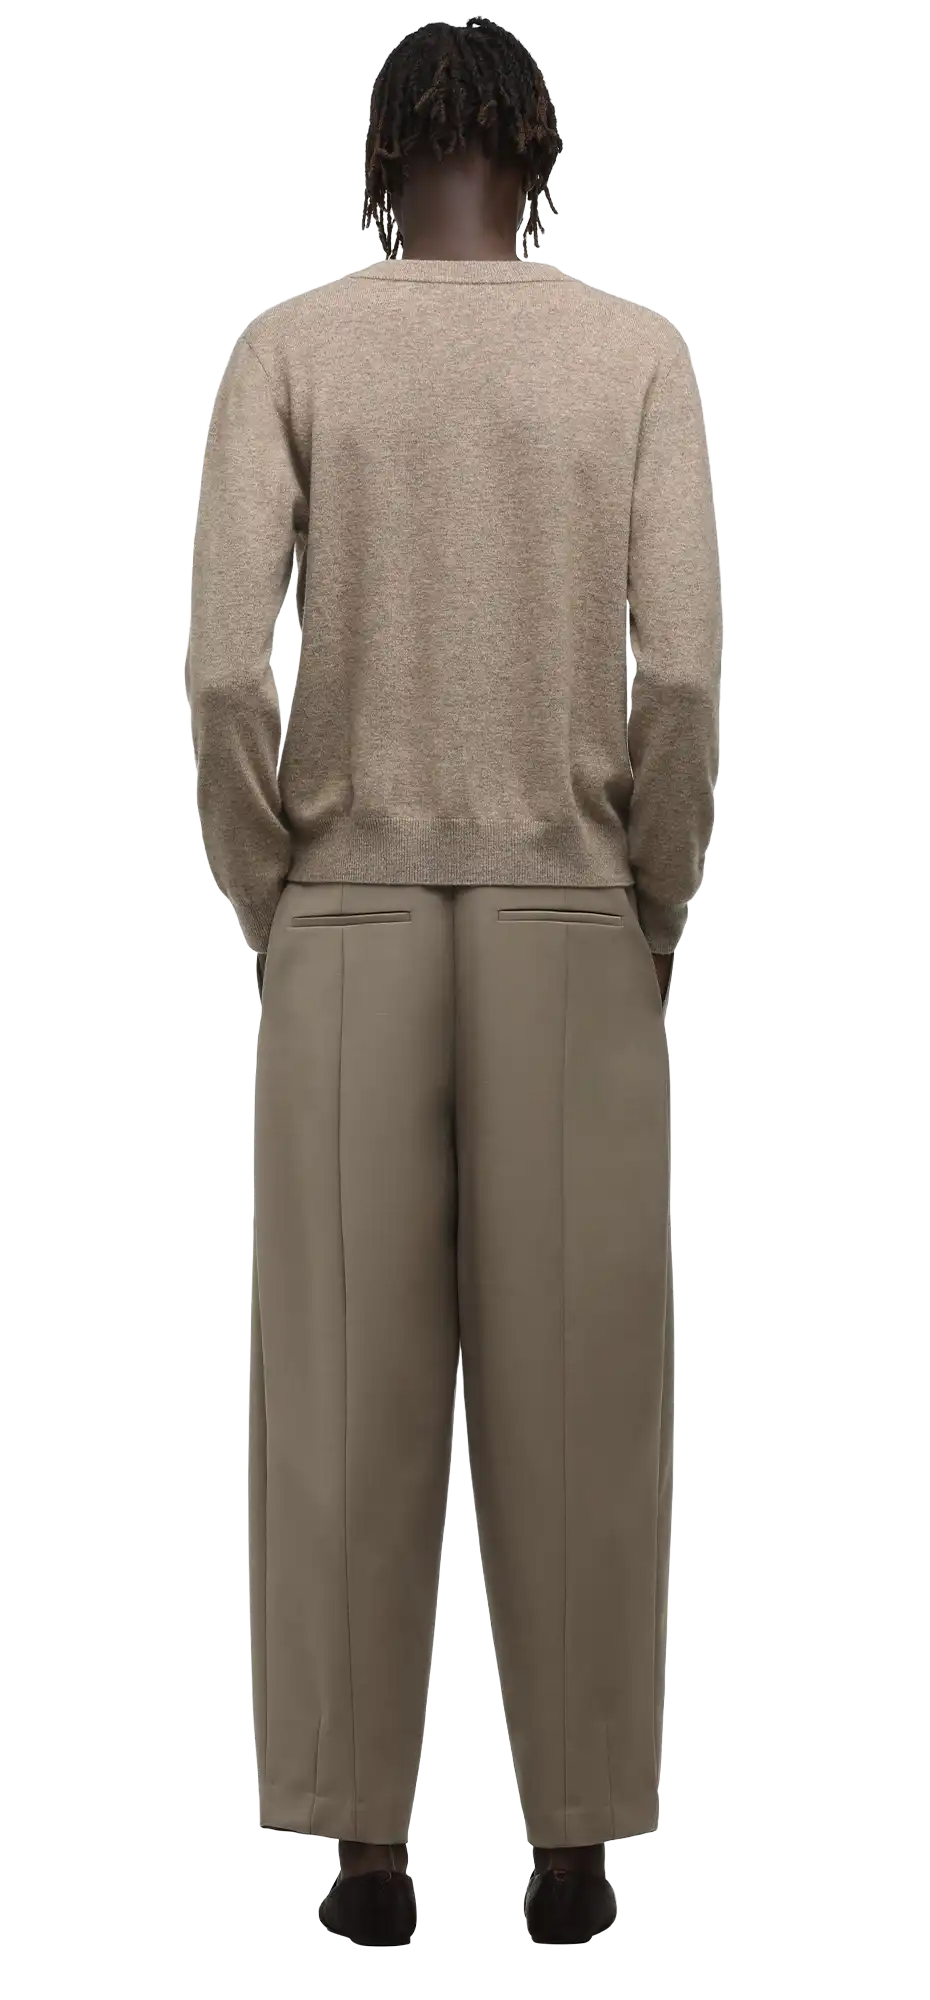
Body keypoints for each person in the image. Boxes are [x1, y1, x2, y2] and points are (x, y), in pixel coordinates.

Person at [183, 14, 723, 1950]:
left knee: (342, 1390)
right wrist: (650, 897)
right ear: (535, 154)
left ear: (381, 159)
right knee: (582, 1395)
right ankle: (573, 1856)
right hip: (574, 922)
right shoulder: (633, 355)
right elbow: (681, 673)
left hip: (347, 922)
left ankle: (368, 1853)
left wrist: (275, 891)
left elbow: (225, 672)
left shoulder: (292, 350)